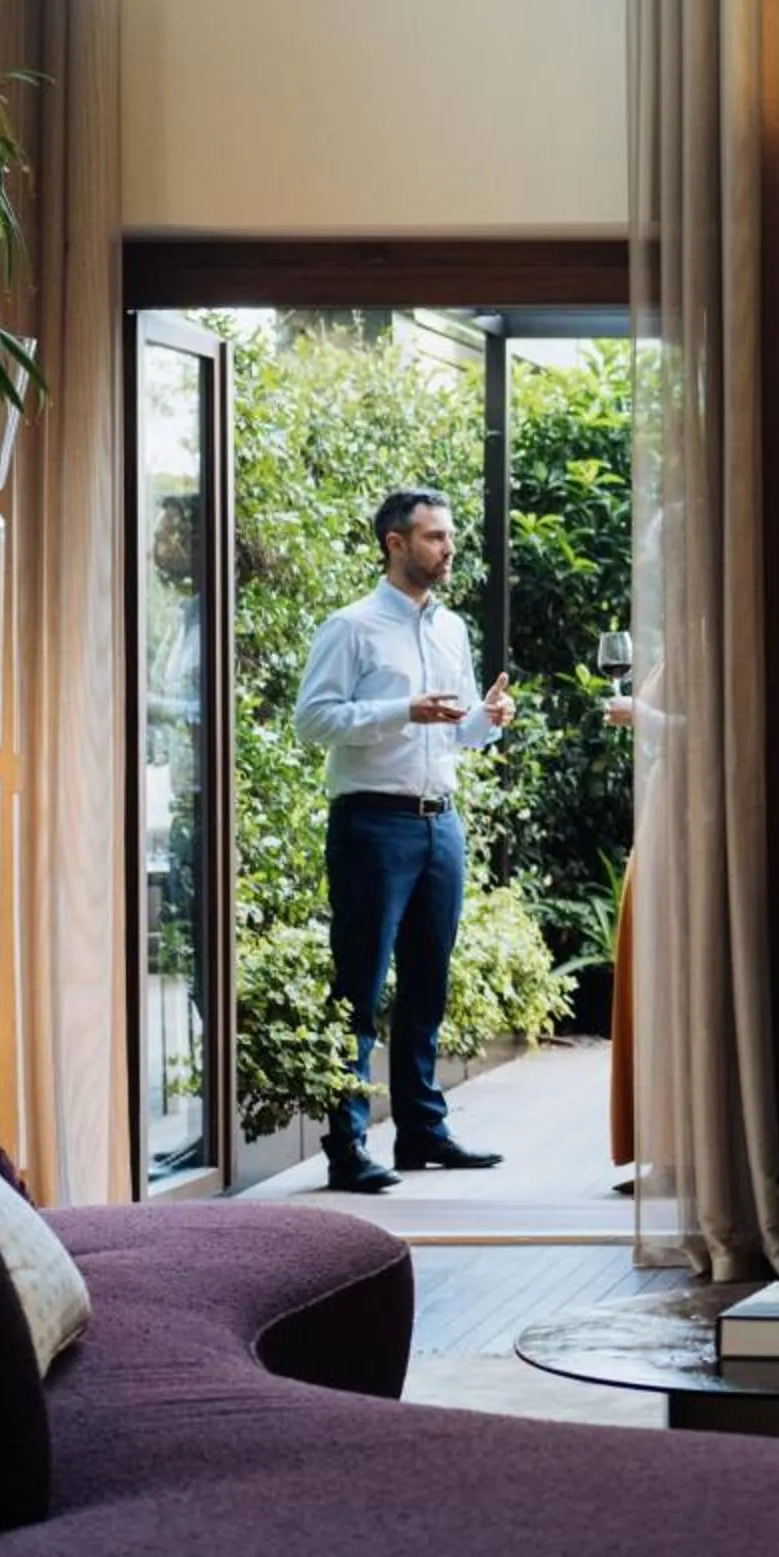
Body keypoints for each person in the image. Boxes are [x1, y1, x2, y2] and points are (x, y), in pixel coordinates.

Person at [295, 487, 518, 1194]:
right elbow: (313, 721)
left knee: (428, 980)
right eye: (434, 538)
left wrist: (490, 717)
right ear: (396, 543)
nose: (447, 549)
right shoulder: (352, 628)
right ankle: (348, 1145)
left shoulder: (448, 629)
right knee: (359, 985)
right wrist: (403, 709)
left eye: (448, 537)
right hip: (371, 823)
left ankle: (422, 1130)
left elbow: (451, 729)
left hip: (438, 822)